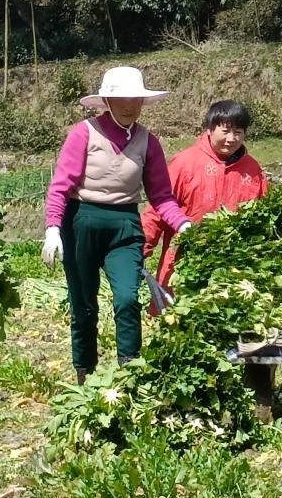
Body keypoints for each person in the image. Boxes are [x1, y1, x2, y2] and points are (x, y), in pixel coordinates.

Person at [41, 66, 190, 382]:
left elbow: (162, 196)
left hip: (123, 225)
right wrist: (53, 227)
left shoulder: (148, 142)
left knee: (126, 298)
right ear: (106, 100)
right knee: (83, 304)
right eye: (120, 98)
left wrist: (183, 224)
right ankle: (85, 373)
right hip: (80, 221)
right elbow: (61, 185)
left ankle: (129, 371)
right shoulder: (84, 132)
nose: (128, 105)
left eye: (135, 98)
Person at [140, 99, 268, 307]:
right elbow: (157, 210)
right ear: (209, 129)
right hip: (183, 263)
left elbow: (264, 218)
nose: (231, 138)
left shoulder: (252, 170)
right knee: (179, 323)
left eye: (238, 132)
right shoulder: (185, 163)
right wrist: (138, 250)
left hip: (235, 266)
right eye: (225, 131)